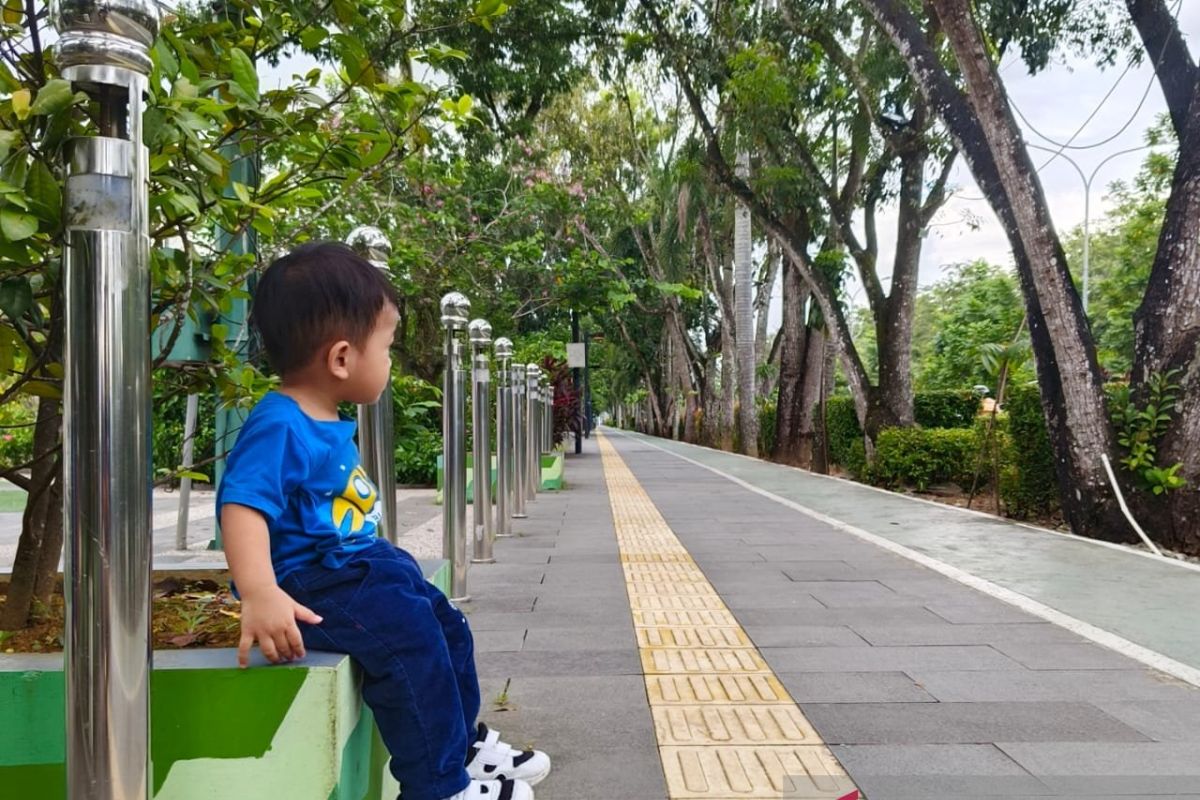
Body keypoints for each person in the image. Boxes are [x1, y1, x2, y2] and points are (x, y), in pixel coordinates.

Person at [217, 242, 549, 800]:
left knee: (446, 624)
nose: (390, 362)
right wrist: (260, 590)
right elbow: (242, 504)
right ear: (342, 358)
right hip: (316, 581)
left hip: (355, 566)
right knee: (411, 647)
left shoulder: (319, 415)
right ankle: (437, 787)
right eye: (387, 348)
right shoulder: (280, 422)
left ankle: (461, 748)